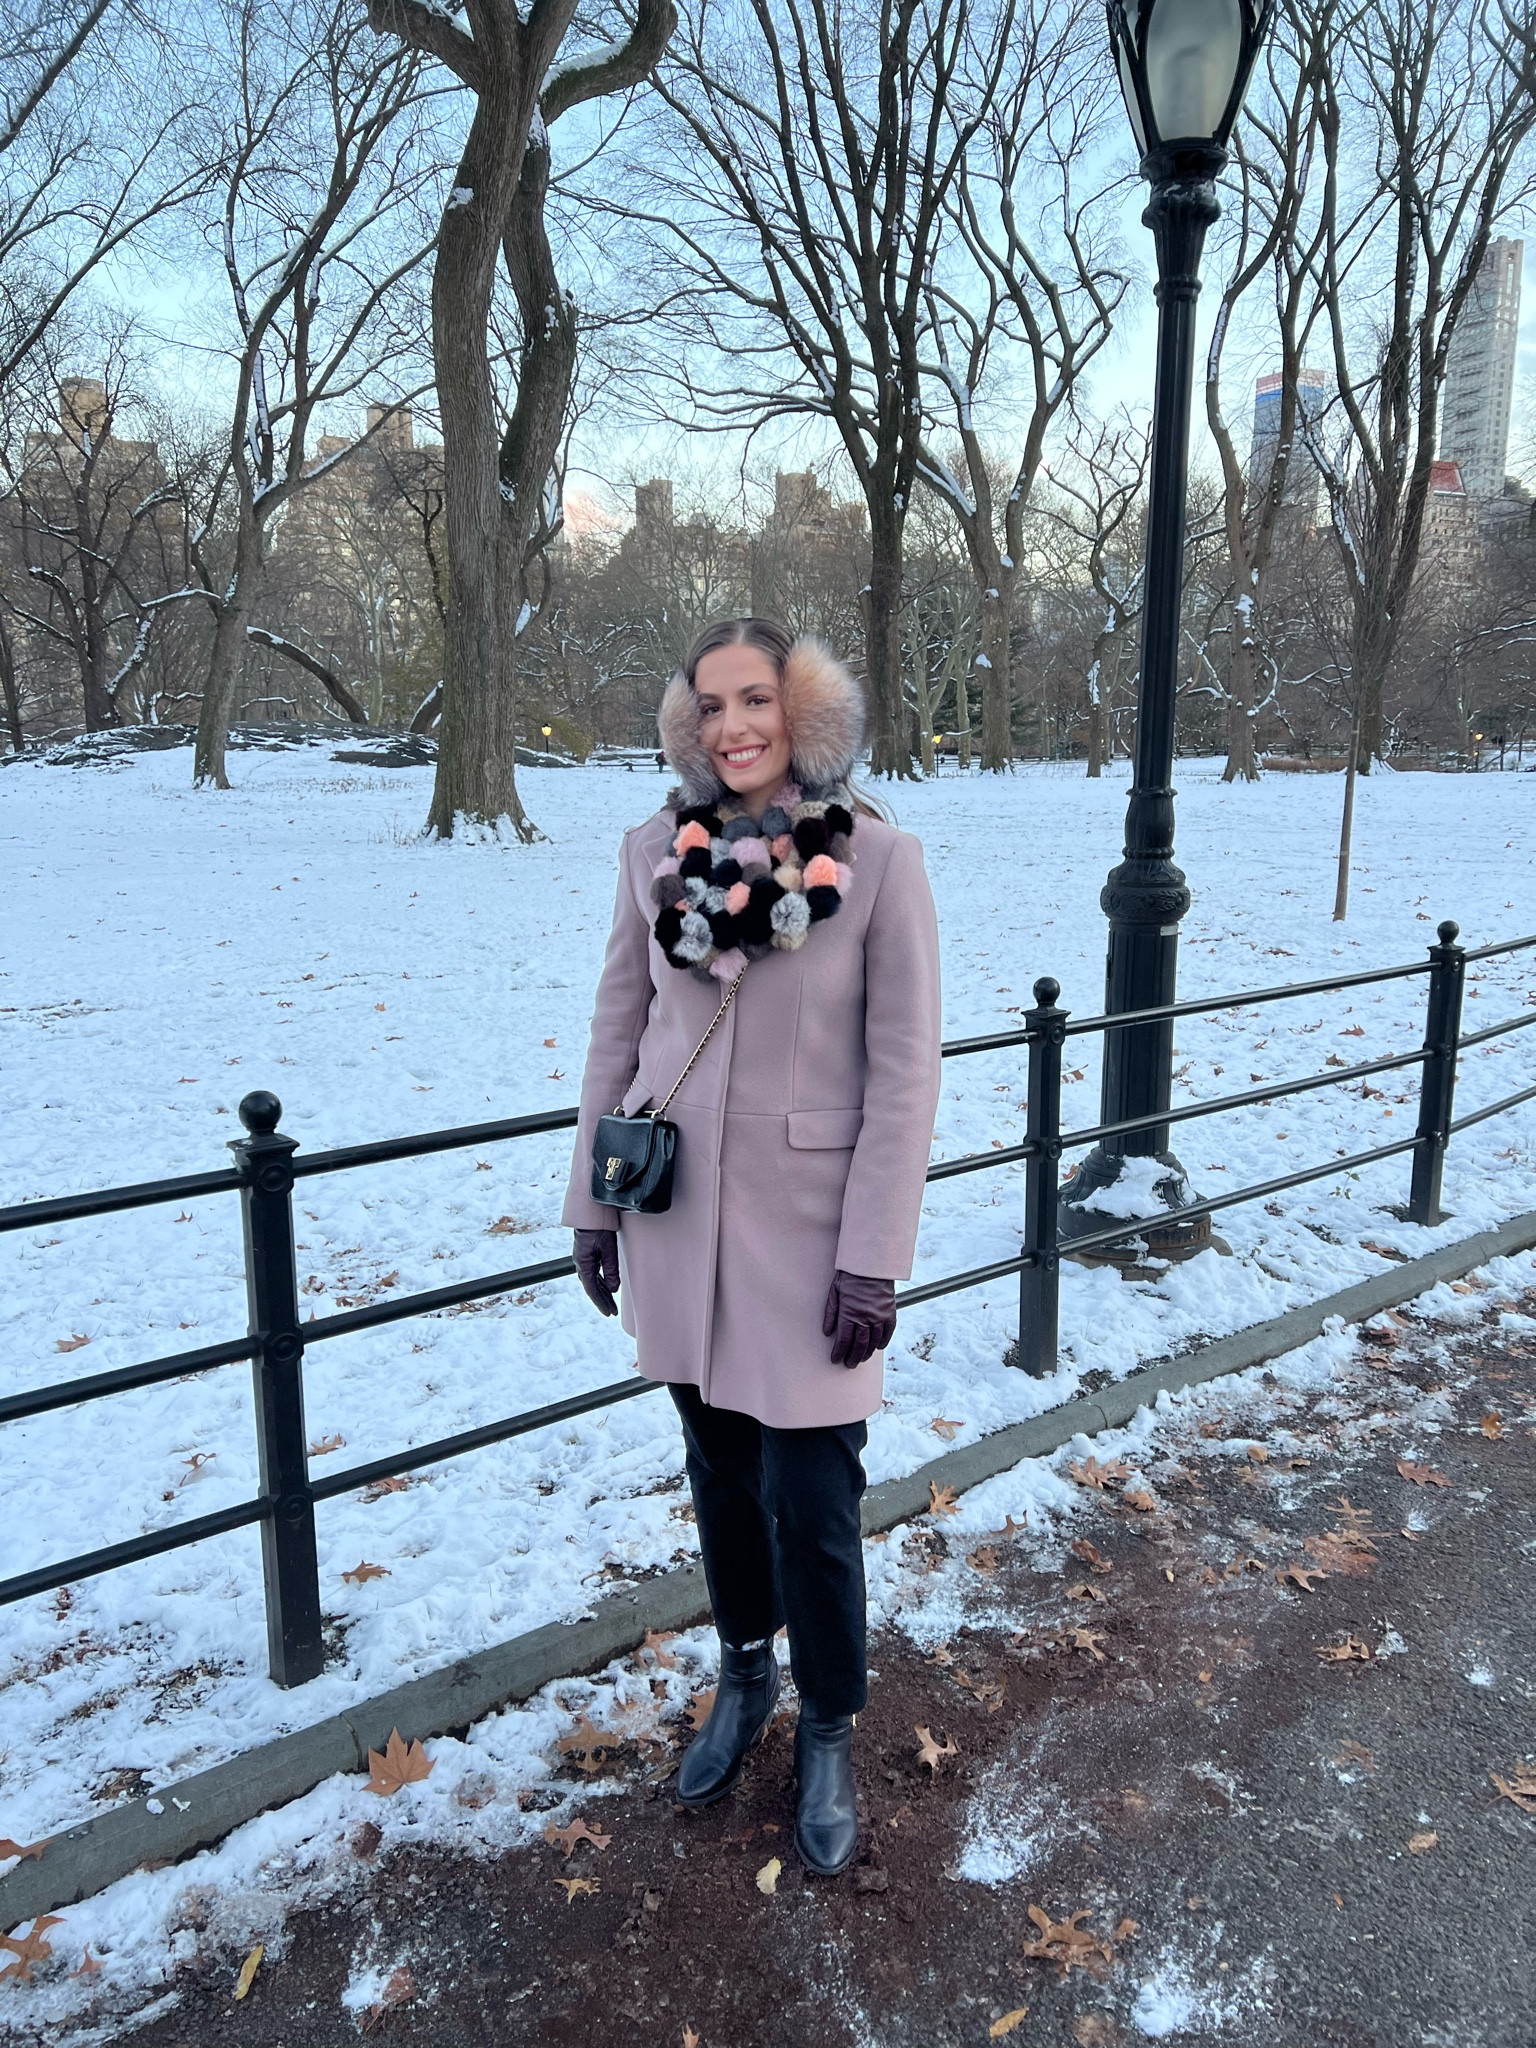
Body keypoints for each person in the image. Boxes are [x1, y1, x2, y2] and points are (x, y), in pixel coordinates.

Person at [562, 617, 942, 1876]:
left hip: (813, 1241)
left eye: (759, 701)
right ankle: (744, 1670)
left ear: (807, 713)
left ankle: (828, 1718)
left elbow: (904, 1077)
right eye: (712, 703)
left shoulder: (880, 864)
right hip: (678, 1230)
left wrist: (873, 1254)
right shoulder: (648, 856)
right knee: (721, 1476)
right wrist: (592, 1201)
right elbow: (619, 1033)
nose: (735, 726)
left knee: (814, 1502)